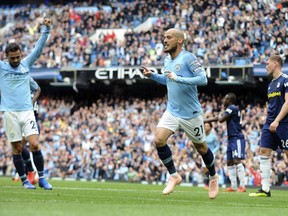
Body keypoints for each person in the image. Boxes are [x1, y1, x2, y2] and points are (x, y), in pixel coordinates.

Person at [141, 28, 219, 199]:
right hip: (172, 110)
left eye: (168, 37)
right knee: (158, 140)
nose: (165, 40)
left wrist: (179, 78)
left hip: (191, 113)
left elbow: (203, 79)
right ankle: (174, 175)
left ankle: (213, 177)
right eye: (164, 37)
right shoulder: (167, 60)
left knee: (201, 148)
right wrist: (153, 76)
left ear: (179, 41)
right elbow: (168, 79)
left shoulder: (188, 58)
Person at [0, 18, 52, 189]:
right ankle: (24, 181)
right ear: (6, 57)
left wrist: (46, 29)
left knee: (35, 144)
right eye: (12, 58)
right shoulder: (2, 68)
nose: (16, 61)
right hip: (10, 112)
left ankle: (42, 178)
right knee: (17, 149)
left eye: (18, 57)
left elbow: (38, 49)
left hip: (27, 111)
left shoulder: (25, 64)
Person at [249, 54, 288, 197]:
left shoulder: (285, 80)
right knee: (264, 152)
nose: (266, 66)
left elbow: (287, 103)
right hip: (269, 123)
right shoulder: (270, 85)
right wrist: (270, 119)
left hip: (283, 123)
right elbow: (273, 105)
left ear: (276, 64)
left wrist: (277, 120)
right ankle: (265, 188)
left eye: (267, 63)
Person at [205, 93, 246, 192]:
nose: (224, 100)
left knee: (237, 160)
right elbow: (218, 118)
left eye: (225, 98)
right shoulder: (230, 109)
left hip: (237, 138)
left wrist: (204, 120)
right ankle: (234, 186)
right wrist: (204, 121)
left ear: (230, 100)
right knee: (229, 162)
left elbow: (221, 119)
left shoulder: (231, 107)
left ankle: (243, 186)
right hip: (231, 138)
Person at [12, 77, 41, 184]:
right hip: (21, 123)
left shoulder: (31, 96)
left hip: (30, 123)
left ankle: (34, 173)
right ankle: (28, 172)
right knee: (20, 148)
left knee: (29, 147)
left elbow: (34, 113)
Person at [202, 122, 220, 189]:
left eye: (207, 126)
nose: (205, 127)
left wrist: (213, 152)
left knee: (208, 167)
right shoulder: (202, 135)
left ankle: (207, 183)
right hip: (203, 153)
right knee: (204, 169)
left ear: (210, 127)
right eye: (205, 126)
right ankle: (214, 177)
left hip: (211, 153)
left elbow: (217, 146)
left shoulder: (213, 136)